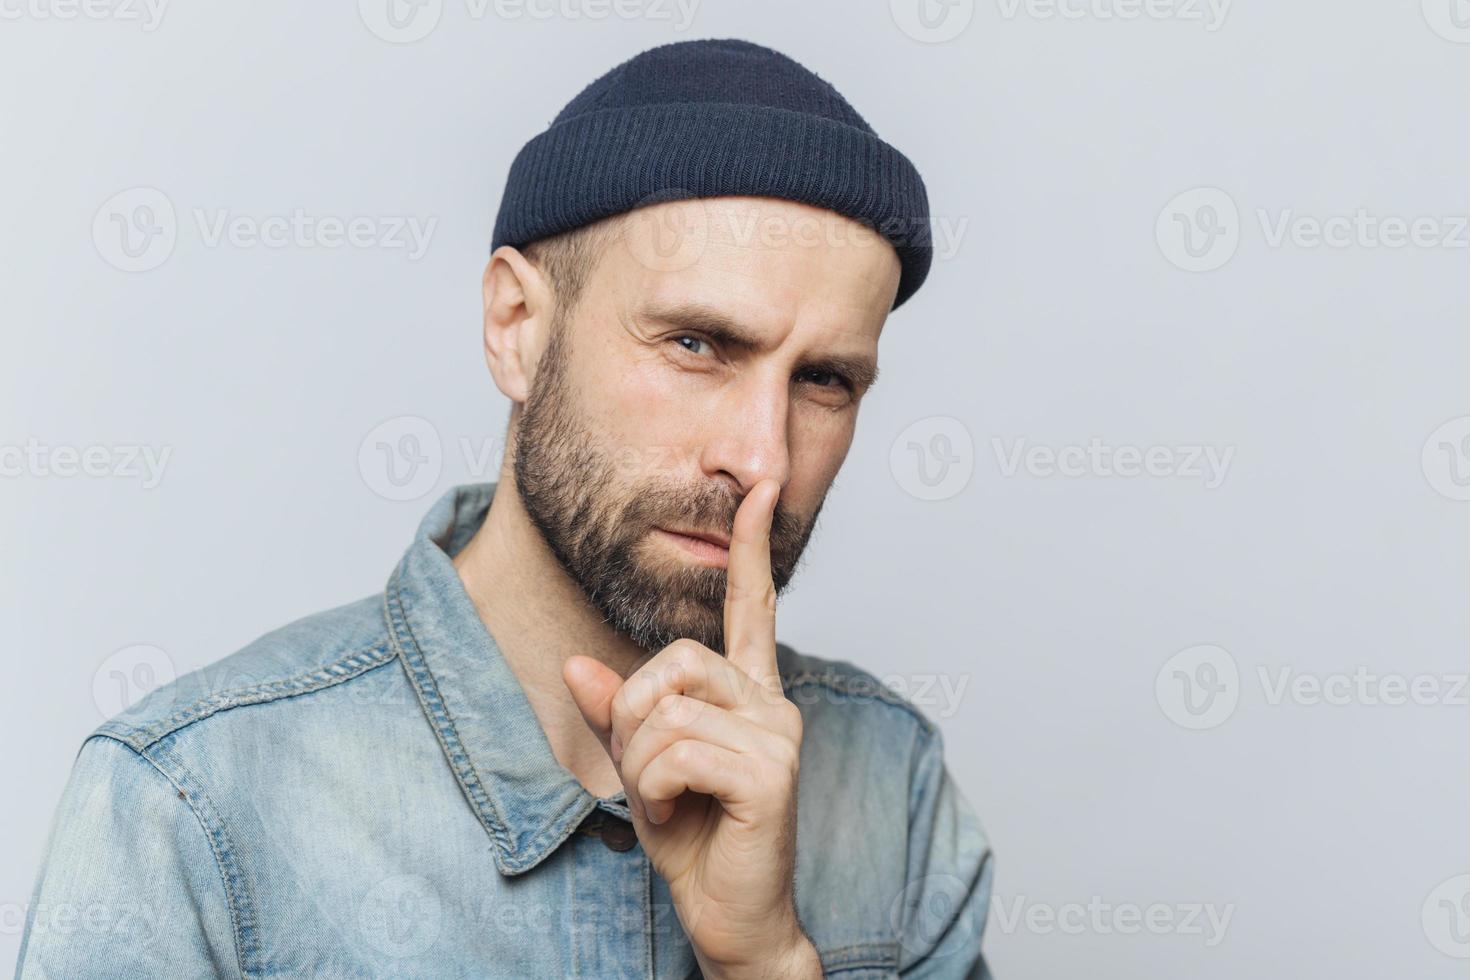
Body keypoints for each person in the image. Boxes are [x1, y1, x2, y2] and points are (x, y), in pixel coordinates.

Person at [17, 38, 994, 979]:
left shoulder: (887, 781)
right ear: (517, 326)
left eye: (824, 378)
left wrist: (766, 963)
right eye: (696, 343)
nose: (759, 455)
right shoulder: (194, 805)